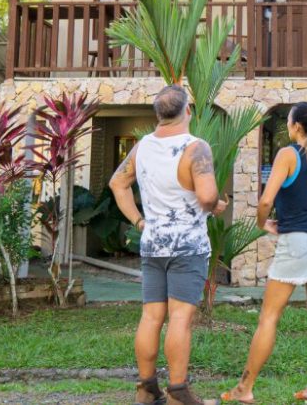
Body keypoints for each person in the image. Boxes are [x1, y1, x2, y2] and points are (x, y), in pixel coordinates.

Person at [111, 84, 226, 405]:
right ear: (187, 110)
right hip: (187, 247)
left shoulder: (142, 147)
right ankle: (178, 393)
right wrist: (215, 205)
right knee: (179, 319)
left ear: (158, 114)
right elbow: (207, 196)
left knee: (151, 317)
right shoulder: (196, 148)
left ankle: (146, 390)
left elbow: (117, 183)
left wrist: (139, 221)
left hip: (153, 244)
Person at [222, 102, 307, 405]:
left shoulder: (288, 154)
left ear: (297, 126)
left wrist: (263, 223)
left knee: (269, 316)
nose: (287, 126)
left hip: (297, 240)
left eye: (288, 121)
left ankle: (245, 388)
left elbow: (265, 201)